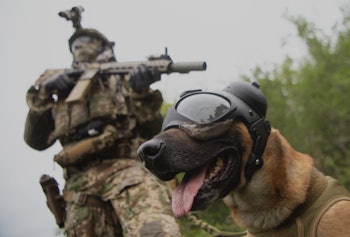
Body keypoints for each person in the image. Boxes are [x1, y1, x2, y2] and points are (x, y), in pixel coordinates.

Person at [24, 6, 182, 237]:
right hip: (79, 188)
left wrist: (141, 93)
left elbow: (155, 131)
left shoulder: (120, 79)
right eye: (76, 42)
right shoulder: (57, 88)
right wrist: (44, 95)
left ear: (104, 47)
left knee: (154, 231)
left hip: (127, 170)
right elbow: (35, 141)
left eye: (89, 40)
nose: (81, 45)